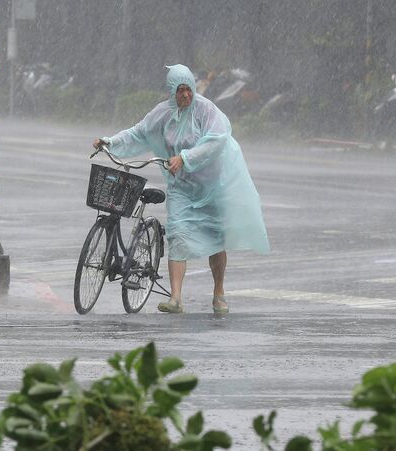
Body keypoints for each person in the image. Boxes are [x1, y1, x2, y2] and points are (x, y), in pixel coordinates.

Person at [92, 64, 269, 315]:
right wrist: (110, 141)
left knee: (216, 240)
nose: (185, 95)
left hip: (212, 186)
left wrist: (185, 158)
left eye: (188, 89)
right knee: (177, 234)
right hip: (181, 186)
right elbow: (139, 132)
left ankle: (219, 292)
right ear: (171, 91)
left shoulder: (207, 110)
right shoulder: (162, 113)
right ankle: (176, 298)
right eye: (179, 90)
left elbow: (216, 140)